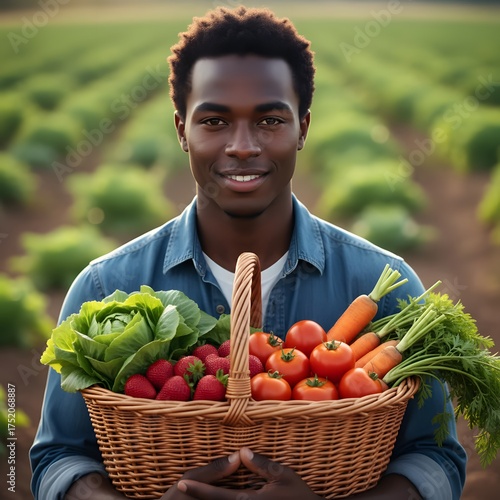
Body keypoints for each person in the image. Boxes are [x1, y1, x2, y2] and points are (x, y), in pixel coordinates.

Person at [30, 6, 467, 500]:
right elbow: (58, 458)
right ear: (181, 130)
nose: (241, 146)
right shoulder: (104, 287)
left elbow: (435, 459)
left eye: (269, 119)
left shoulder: (385, 283)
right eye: (214, 120)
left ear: (302, 128)